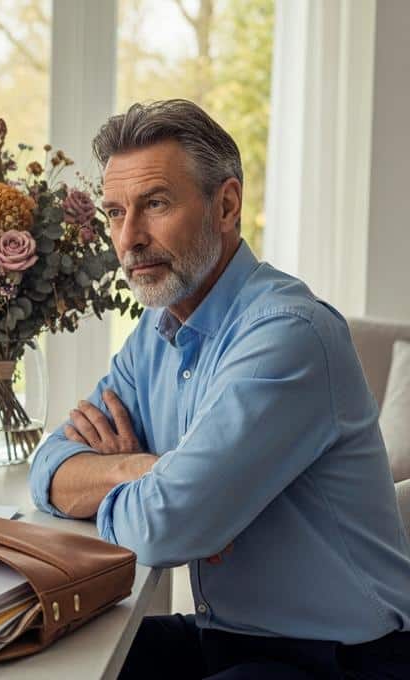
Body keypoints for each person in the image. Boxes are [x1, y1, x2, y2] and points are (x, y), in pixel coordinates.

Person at [28, 99, 410, 678]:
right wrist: (144, 470)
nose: (128, 238)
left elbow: (164, 529)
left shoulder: (289, 335)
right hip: (224, 636)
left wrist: (166, 499)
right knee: (44, 656)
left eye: (154, 204)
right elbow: (48, 466)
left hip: (340, 660)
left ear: (225, 205)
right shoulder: (156, 332)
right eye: (114, 212)